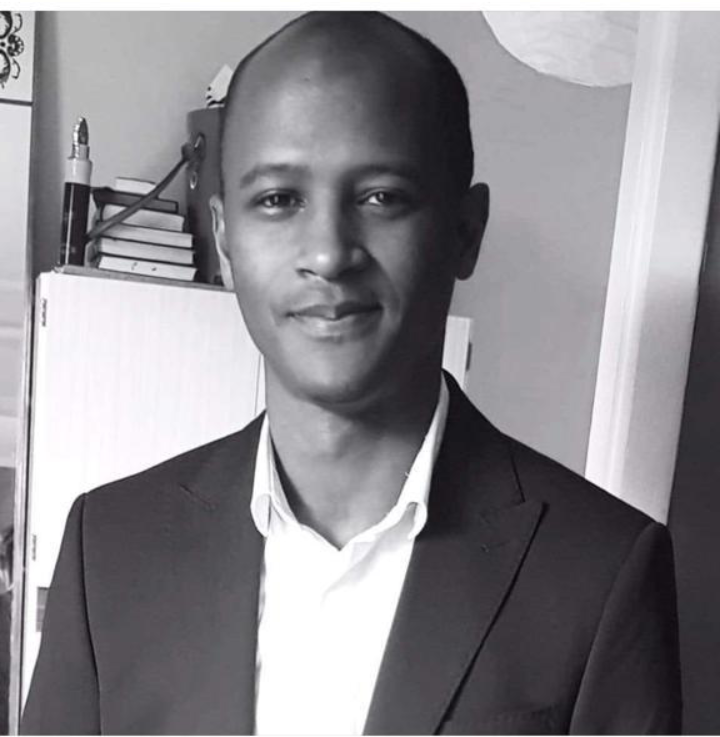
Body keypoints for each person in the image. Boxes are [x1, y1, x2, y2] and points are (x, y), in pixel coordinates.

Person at [21, 12, 681, 735]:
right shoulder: (108, 549)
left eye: (381, 197)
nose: (329, 253)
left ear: (465, 230)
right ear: (225, 236)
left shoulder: (601, 572)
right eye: (278, 199)